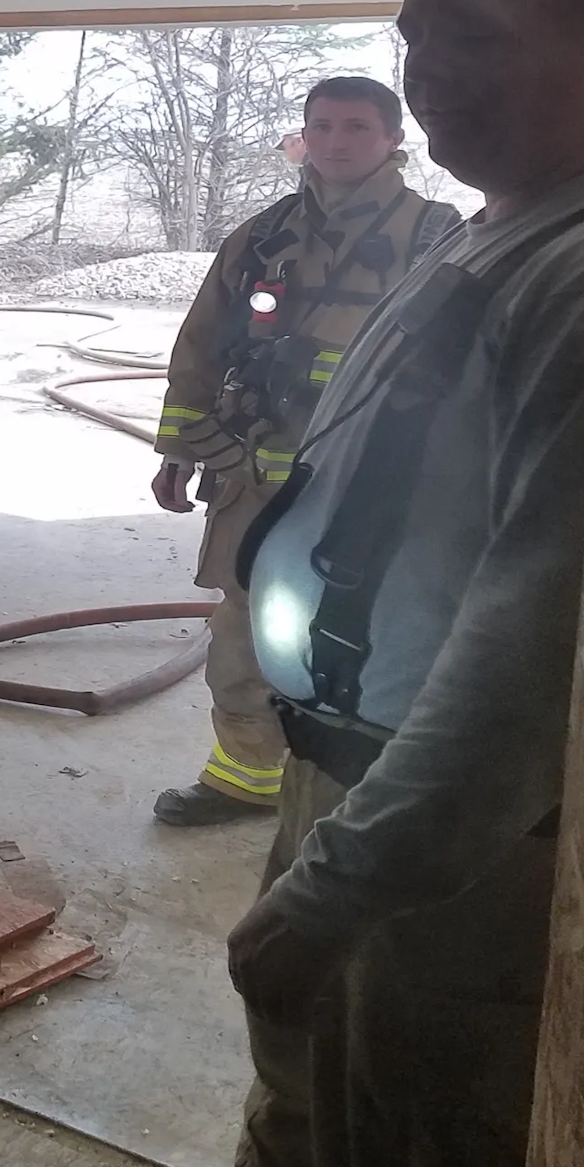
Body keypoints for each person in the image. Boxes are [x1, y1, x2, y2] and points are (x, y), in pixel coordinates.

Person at [225, 0, 584, 1167]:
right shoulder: (497, 237)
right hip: (348, 779)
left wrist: (344, 886)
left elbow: (540, 646)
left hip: (438, 857)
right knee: (307, 1149)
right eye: (412, 39)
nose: (428, 75)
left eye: (473, 36)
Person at [150, 77, 461, 826]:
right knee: (243, 630)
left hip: (383, 482)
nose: (334, 141)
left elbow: (471, 362)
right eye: (320, 125)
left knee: (383, 632)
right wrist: (179, 447)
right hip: (256, 473)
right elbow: (199, 344)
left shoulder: (437, 234)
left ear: (393, 140)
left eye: (355, 126)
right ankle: (244, 778)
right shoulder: (263, 235)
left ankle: (367, 797)